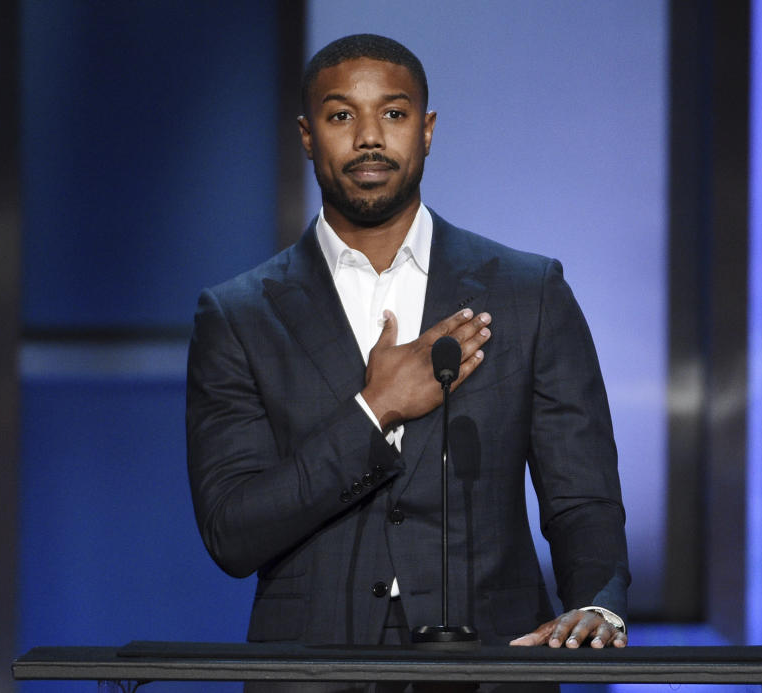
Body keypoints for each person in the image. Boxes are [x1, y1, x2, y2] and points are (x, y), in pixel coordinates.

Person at [186, 33, 630, 689]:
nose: (369, 137)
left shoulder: (528, 292)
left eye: (393, 114)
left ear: (426, 130)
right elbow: (233, 530)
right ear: (308, 136)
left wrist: (597, 601)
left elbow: (581, 496)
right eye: (342, 116)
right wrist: (375, 410)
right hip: (313, 669)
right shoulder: (239, 317)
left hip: (492, 660)